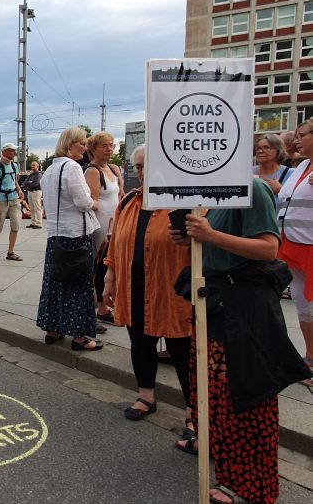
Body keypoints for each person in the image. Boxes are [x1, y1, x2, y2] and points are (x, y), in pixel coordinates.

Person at [171, 178, 309, 504]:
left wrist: (209, 235)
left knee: (244, 395)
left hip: (244, 308)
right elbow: (218, 244)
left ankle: (250, 483)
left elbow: (268, 249)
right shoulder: (213, 192)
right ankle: (218, 453)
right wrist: (189, 238)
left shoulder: (252, 187)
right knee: (215, 391)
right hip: (218, 304)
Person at [102, 145, 192, 427]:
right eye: (139, 167)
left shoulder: (185, 201)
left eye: (148, 166)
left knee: (182, 349)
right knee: (140, 343)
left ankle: (194, 413)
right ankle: (146, 397)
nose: (142, 172)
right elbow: (116, 242)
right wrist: (110, 275)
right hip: (134, 284)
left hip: (172, 288)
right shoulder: (128, 201)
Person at [36, 126, 102, 351]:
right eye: (82, 143)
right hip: (75, 234)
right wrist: (95, 202)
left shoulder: (49, 170)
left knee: (55, 282)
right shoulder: (73, 167)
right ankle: (79, 336)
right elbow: (83, 202)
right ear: (69, 144)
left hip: (55, 235)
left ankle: (52, 328)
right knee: (78, 284)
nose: (85, 147)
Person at [277, 120, 313, 386]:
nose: (296, 141)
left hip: (310, 246)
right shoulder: (301, 166)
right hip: (291, 245)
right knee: (303, 304)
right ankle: (310, 357)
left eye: (302, 136)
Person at [85, 131, 123, 329]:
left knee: (111, 264)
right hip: (101, 226)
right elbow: (93, 201)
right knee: (101, 265)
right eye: (105, 146)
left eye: (111, 145)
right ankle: (101, 308)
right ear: (93, 149)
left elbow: (120, 195)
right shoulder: (92, 171)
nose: (110, 149)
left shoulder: (114, 168)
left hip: (115, 223)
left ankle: (106, 302)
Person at [0, 143, 24, 261]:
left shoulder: (14, 165)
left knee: (16, 226)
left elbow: (14, 181)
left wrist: (19, 190)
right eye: (12, 151)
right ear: (5, 152)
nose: (15, 153)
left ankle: (10, 252)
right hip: (2, 200)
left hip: (14, 198)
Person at [254, 133, 293, 206]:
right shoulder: (248, 173)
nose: (260, 151)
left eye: (266, 147)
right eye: (258, 148)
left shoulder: (290, 174)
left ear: (279, 150)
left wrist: (280, 190)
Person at [24, 161, 43, 229]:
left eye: (34, 165)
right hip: (30, 191)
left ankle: (39, 223)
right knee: (31, 208)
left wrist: (28, 183)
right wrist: (28, 182)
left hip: (36, 191)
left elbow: (36, 183)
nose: (32, 167)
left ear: (37, 166)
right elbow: (25, 182)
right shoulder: (31, 174)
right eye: (32, 165)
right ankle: (33, 222)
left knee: (37, 207)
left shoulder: (39, 174)